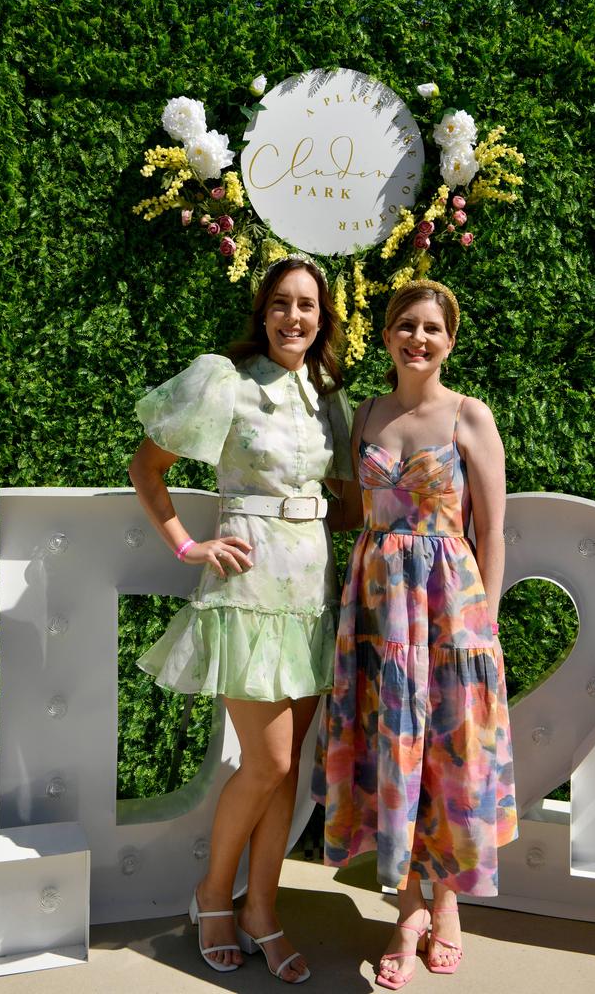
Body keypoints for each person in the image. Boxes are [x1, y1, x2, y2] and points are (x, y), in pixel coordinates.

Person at [129, 257, 354, 985]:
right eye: (283, 304)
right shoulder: (224, 380)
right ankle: (211, 897)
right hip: (249, 590)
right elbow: (148, 465)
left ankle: (262, 908)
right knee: (271, 762)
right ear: (263, 311)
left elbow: (349, 499)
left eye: (309, 307)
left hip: (314, 588)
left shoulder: (330, 396)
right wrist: (189, 544)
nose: (296, 317)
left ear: (323, 318)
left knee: (287, 778)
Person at [315, 280, 517, 987]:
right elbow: (348, 511)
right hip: (376, 613)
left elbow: (491, 531)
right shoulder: (365, 413)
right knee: (391, 752)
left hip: (448, 613)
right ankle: (406, 910)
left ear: (450, 340)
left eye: (432, 328)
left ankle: (449, 906)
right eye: (406, 325)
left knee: (449, 755)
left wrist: (482, 625)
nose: (418, 339)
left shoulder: (470, 417)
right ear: (389, 334)